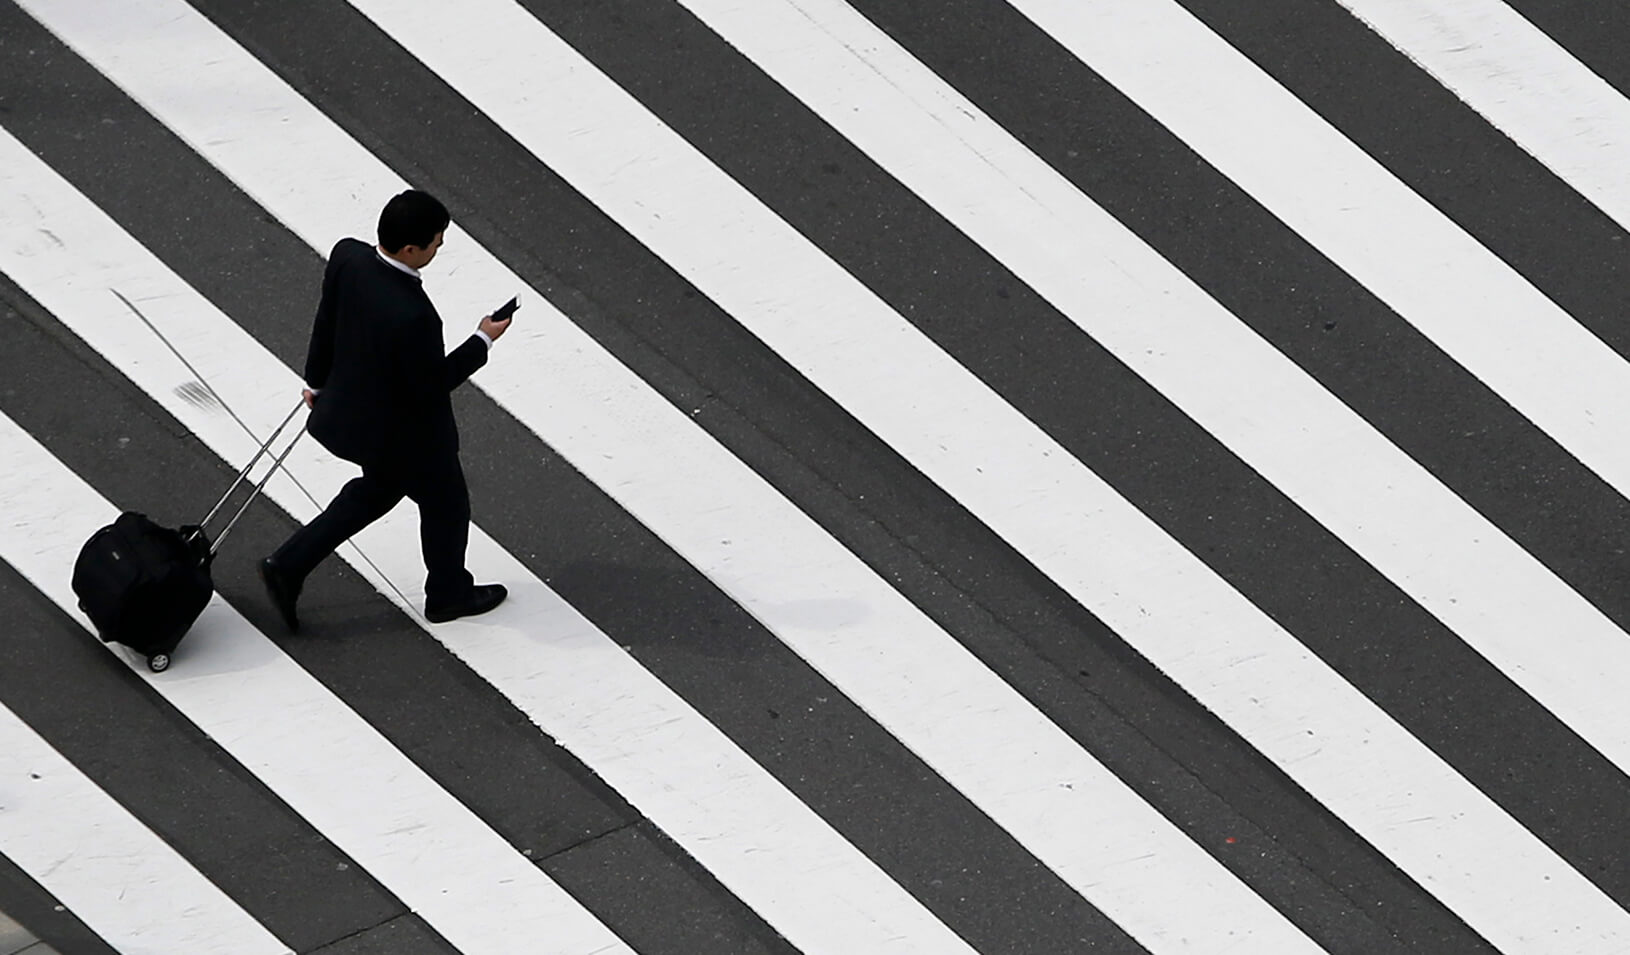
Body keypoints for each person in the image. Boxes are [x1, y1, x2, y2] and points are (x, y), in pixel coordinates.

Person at [260, 189, 515, 631]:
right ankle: (447, 595)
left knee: (374, 493)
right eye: (436, 241)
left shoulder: (349, 257)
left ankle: (289, 564)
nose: (440, 247)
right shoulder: (414, 315)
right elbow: (430, 385)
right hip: (407, 436)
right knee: (447, 504)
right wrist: (483, 339)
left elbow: (326, 322)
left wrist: (316, 382)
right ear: (411, 249)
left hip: (357, 416)